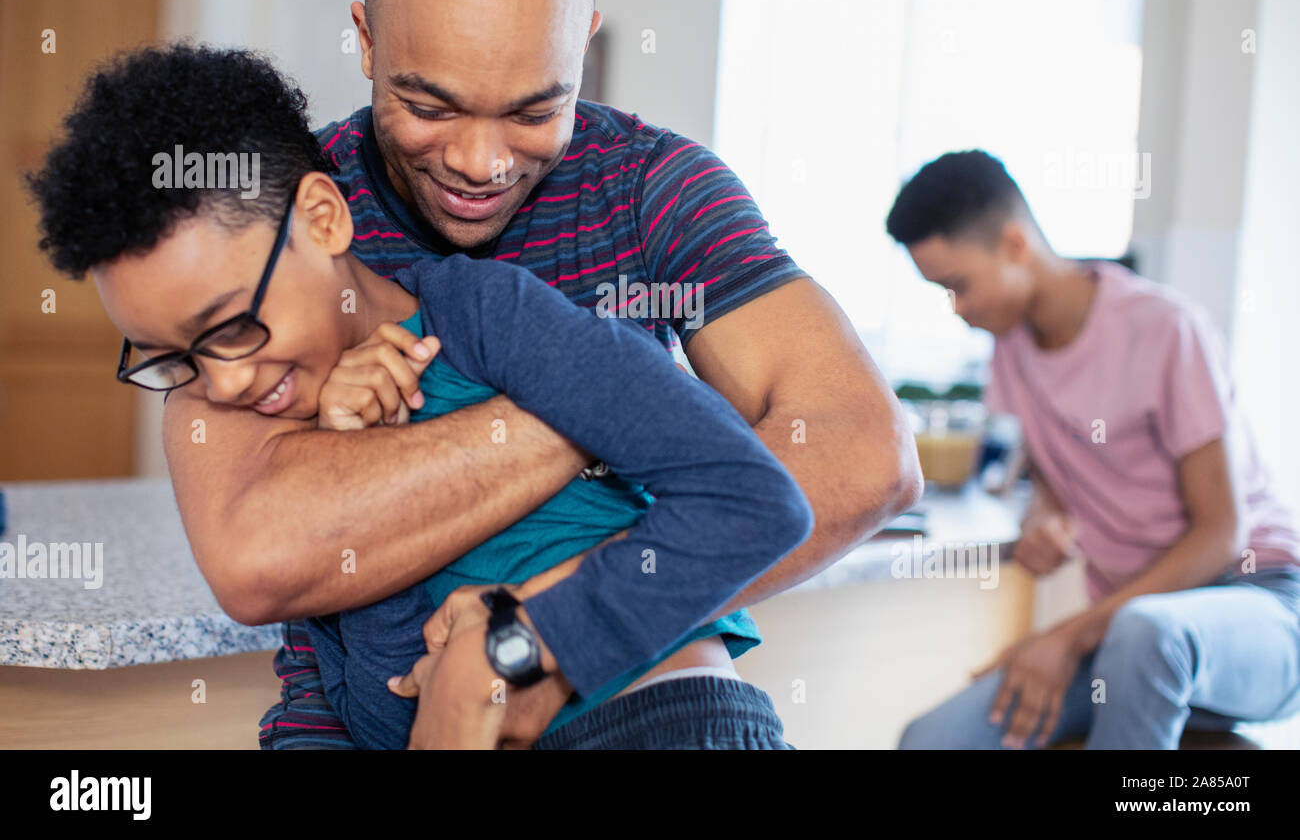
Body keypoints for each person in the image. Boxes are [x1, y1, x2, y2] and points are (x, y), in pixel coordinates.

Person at [153, 0, 921, 748]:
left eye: (534, 111)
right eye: (428, 105)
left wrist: (544, 639)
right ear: (365, 39)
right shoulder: (281, 218)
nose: (481, 163)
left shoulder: (652, 189)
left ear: (584, 47)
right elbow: (257, 549)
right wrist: (607, 418)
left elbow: (862, 455)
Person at [27, 43, 815, 749]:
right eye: (173, 361)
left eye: (233, 327)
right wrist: (352, 450)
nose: (224, 383)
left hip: (660, 723)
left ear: (324, 218)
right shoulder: (305, 427)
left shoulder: (488, 313)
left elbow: (755, 496)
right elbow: (388, 702)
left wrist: (522, 642)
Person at [887, 149, 1300, 749]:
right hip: (1128, 635)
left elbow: (1223, 532)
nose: (959, 310)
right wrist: (1046, 518)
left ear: (1014, 244)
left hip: (1256, 606)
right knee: (934, 740)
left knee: (1145, 634)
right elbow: (1058, 477)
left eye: (958, 286)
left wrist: (1069, 636)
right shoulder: (1013, 350)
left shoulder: (1165, 328)